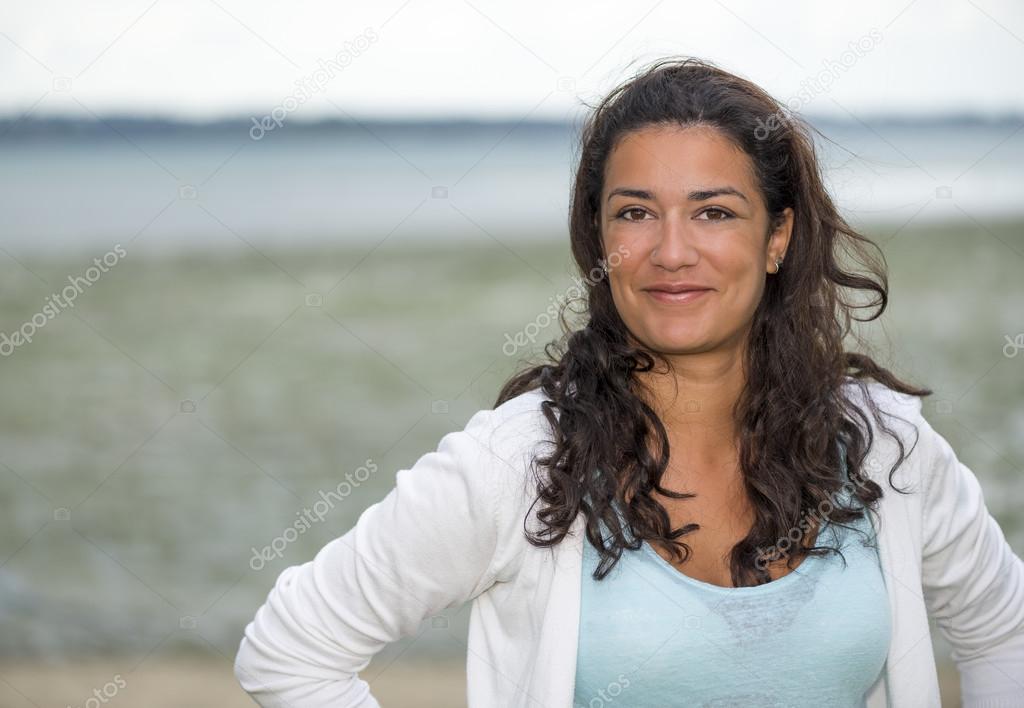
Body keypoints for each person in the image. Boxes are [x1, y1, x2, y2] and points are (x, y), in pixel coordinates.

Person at [233, 56, 1024, 707]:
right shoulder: (519, 464)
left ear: (778, 235)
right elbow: (290, 651)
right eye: (636, 213)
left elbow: (1001, 631)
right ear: (598, 234)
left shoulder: (884, 446)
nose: (670, 251)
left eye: (713, 212)